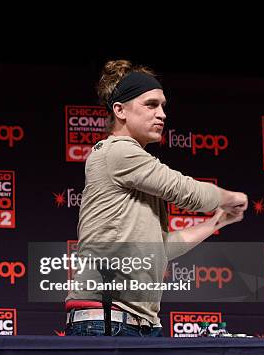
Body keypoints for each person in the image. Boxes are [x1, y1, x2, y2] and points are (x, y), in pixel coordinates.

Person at [65, 60, 247, 337]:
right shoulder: (117, 152)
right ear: (120, 110)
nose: (162, 114)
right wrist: (229, 196)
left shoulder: (133, 168)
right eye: (151, 105)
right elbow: (185, 191)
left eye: (163, 106)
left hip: (135, 324)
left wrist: (217, 222)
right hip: (107, 321)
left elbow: (160, 248)